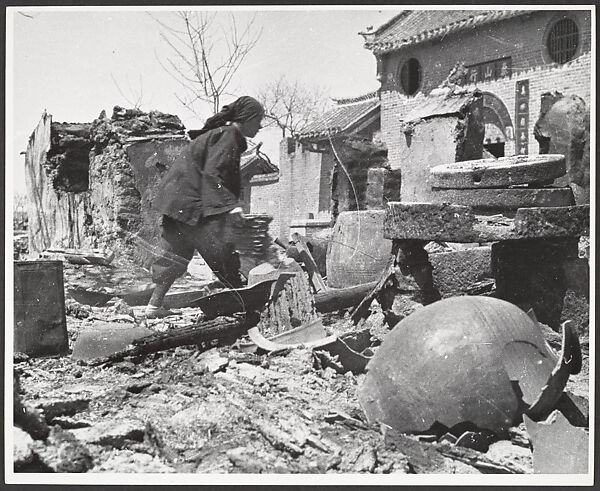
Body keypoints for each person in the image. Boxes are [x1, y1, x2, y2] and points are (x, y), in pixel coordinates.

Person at [146, 96, 265, 318]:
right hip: (189, 201)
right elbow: (214, 174)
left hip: (176, 201)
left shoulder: (221, 135)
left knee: (175, 254)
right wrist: (232, 207)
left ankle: (153, 307)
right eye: (258, 119)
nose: (260, 126)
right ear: (246, 118)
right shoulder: (228, 136)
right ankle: (245, 305)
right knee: (221, 252)